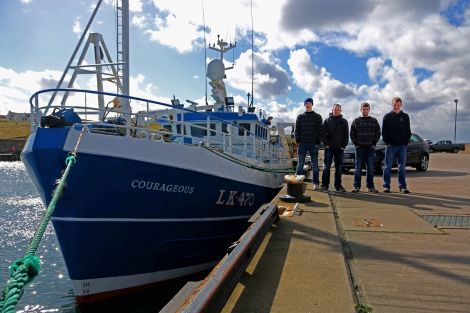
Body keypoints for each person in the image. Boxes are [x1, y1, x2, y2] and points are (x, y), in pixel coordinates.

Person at [382, 97, 411, 193]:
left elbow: (408, 131)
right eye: (394, 105)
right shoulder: (387, 117)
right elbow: (384, 132)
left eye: (398, 105)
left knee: (401, 167)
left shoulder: (405, 116)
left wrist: (405, 142)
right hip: (391, 147)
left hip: (402, 146)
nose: (396, 106)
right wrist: (388, 143)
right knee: (387, 167)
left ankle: (402, 186)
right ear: (392, 104)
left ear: (401, 105)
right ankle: (386, 186)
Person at [350, 102, 381, 193]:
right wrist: (356, 145)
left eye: (367, 109)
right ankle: (356, 186)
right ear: (361, 110)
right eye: (363, 109)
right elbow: (352, 134)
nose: (365, 110)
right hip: (360, 149)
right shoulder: (356, 121)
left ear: (369, 110)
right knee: (358, 168)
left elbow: (378, 133)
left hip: (370, 149)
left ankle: (370, 187)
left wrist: (374, 144)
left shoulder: (374, 121)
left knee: (370, 169)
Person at [294, 97, 323, 189]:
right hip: (302, 143)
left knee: (315, 164)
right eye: (306, 103)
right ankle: (298, 182)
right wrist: (298, 140)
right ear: (304, 105)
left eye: (310, 103)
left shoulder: (318, 117)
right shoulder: (300, 117)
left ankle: (316, 183)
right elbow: (297, 130)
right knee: (300, 164)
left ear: (312, 104)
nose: (308, 104)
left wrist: (317, 142)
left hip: (313, 144)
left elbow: (320, 130)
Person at [321, 104, 349, 192]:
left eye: (338, 109)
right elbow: (323, 134)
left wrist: (343, 146)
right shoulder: (327, 121)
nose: (336, 111)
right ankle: (324, 185)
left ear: (341, 111)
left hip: (339, 148)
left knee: (339, 168)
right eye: (335, 109)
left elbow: (346, 135)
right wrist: (326, 144)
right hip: (329, 148)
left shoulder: (344, 121)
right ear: (332, 110)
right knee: (326, 167)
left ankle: (338, 186)